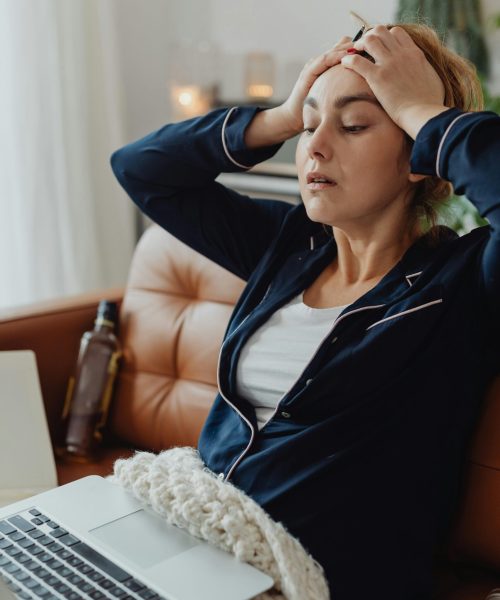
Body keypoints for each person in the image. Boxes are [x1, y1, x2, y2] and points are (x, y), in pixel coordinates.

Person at [110, 21, 500, 600]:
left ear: (420, 158)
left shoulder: (461, 284)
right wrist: (281, 115)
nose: (313, 147)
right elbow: (140, 169)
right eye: (310, 126)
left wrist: (422, 110)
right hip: (196, 543)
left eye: (355, 124)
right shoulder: (288, 246)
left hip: (311, 582)